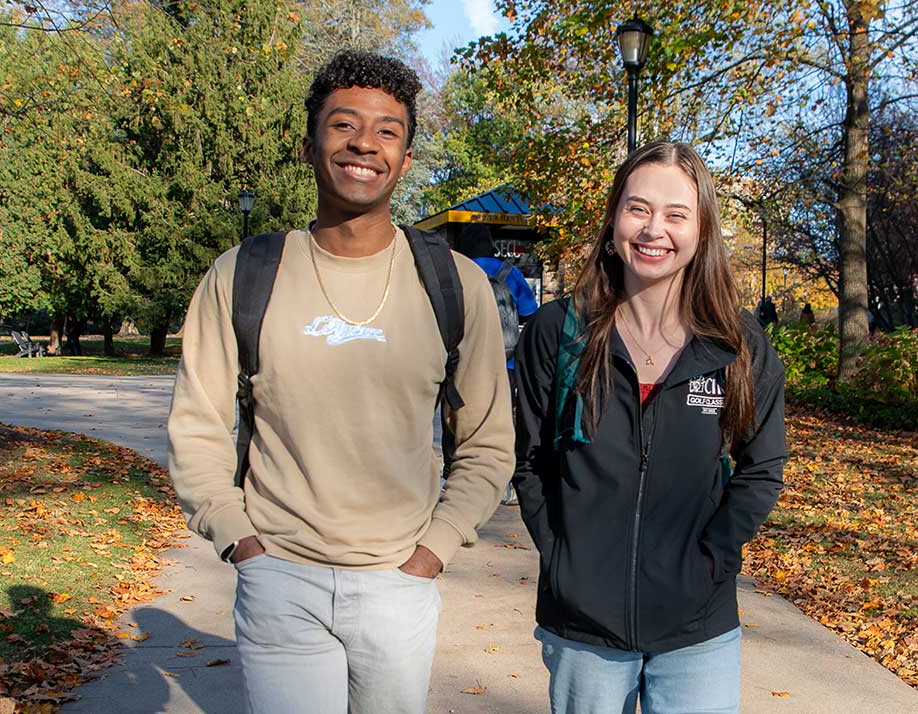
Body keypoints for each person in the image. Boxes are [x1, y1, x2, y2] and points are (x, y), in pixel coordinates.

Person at [167, 50, 515, 714]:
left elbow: (489, 441)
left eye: (388, 130)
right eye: (344, 125)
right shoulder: (243, 275)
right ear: (309, 145)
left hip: (397, 584)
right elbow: (197, 425)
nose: (365, 143)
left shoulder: (454, 285)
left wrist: (433, 551)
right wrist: (241, 540)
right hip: (279, 580)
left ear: (405, 158)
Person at [513, 141, 786, 714]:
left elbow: (762, 466)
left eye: (675, 214)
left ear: (701, 230)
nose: (653, 229)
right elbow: (530, 459)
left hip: (698, 627)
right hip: (582, 626)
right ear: (614, 219)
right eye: (638, 209)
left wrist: (713, 559)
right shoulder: (558, 332)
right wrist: (564, 558)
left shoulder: (736, 344)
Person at [452, 223, 537, 504]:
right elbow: (529, 312)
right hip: (506, 362)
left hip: (459, 359)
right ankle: (502, 484)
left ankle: (453, 481)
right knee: (502, 420)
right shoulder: (508, 273)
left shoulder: (455, 269)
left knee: (456, 417)